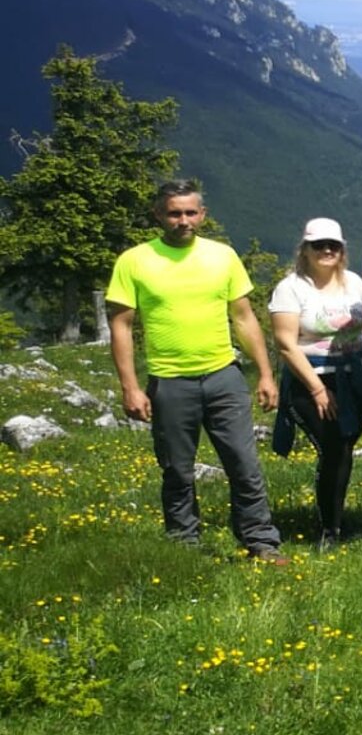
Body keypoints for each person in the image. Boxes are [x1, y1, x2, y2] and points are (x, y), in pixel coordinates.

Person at [106, 180, 287, 563]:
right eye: (174, 213)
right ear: (159, 215)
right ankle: (183, 547)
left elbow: (244, 317)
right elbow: (120, 325)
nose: (183, 220)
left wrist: (267, 374)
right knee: (177, 470)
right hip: (169, 380)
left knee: (244, 465)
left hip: (224, 375)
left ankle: (261, 542)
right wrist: (131, 387)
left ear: (202, 215)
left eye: (190, 212)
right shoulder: (135, 261)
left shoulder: (222, 256)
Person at [270, 217, 362, 552]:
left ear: (342, 250)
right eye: (319, 245)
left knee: (344, 446)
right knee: (334, 446)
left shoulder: (355, 283)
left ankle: (335, 516)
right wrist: (317, 389)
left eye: (333, 245)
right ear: (306, 249)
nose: (327, 250)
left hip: (355, 375)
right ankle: (330, 526)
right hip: (311, 377)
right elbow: (286, 343)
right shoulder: (291, 288)